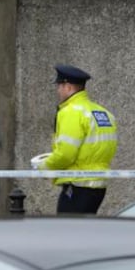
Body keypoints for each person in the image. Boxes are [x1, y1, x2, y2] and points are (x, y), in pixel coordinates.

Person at [38, 64, 118, 214]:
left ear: (68, 87)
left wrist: (45, 167)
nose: (58, 91)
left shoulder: (71, 112)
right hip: (98, 185)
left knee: (67, 233)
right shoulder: (102, 112)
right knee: (85, 233)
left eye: (59, 86)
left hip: (78, 184)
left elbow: (66, 154)